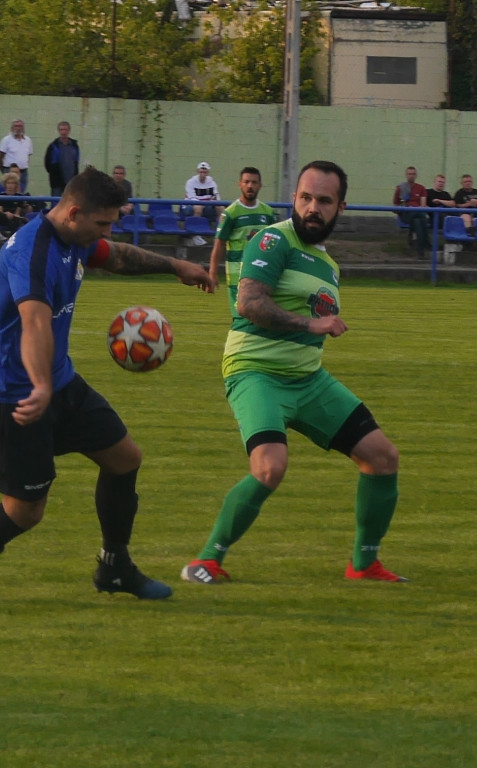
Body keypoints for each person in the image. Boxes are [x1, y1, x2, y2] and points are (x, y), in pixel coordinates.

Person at [0, 166, 215, 605]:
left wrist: (175, 266)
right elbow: (34, 322)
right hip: (16, 399)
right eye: (103, 223)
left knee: (124, 458)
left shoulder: (75, 239)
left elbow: (114, 256)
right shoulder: (32, 253)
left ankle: (114, 567)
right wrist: (39, 386)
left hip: (60, 384)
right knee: (25, 511)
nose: (107, 231)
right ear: (74, 213)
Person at [181, 160, 406, 586]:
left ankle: (364, 565)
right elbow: (248, 304)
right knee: (270, 467)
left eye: (324, 200)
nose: (312, 208)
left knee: (382, 457)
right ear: (294, 199)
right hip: (255, 371)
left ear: (341, 206)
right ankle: (206, 562)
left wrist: (313, 328)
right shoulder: (272, 240)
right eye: (305, 198)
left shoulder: (329, 266)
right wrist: (309, 323)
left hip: (307, 378)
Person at [208, 166, 276, 295]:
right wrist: (212, 273)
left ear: (260, 185)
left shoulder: (268, 212)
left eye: (254, 182)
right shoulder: (231, 213)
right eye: (246, 182)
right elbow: (219, 244)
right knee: (241, 313)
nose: (250, 186)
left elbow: (274, 244)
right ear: (240, 184)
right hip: (237, 273)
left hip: (261, 273)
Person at [393, 166, 428, 258]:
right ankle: (427, 242)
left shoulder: (421, 188)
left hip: (417, 214)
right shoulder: (400, 188)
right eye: (409, 174)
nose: (411, 176)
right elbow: (395, 206)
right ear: (406, 175)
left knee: (417, 222)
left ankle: (421, 253)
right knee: (421, 217)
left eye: (413, 174)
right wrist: (402, 208)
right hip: (406, 214)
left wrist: (418, 209)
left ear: (416, 175)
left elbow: (423, 205)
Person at [184, 161, 221, 245]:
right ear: (198, 171)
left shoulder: (212, 183)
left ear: (208, 172)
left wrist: (215, 201)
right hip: (189, 206)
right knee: (198, 207)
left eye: (205, 171)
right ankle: (196, 234)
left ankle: (219, 233)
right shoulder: (190, 182)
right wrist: (204, 203)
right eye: (201, 171)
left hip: (207, 206)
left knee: (220, 207)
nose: (203, 173)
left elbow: (216, 196)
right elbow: (192, 198)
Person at [44, 121, 80, 197]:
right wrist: (54, 173)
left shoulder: (74, 146)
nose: (63, 132)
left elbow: (76, 162)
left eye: (65, 130)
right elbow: (47, 164)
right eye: (61, 130)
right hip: (57, 182)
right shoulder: (53, 146)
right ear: (59, 131)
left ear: (69, 131)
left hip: (71, 182)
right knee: (56, 205)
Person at [0, 119, 33, 193]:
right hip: (9, 171)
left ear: (23, 128)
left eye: (20, 126)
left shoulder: (28, 140)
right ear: (12, 128)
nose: (18, 128)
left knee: (20, 194)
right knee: (7, 193)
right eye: (16, 126)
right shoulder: (6, 140)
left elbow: (28, 156)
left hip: (23, 172)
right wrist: (5, 172)